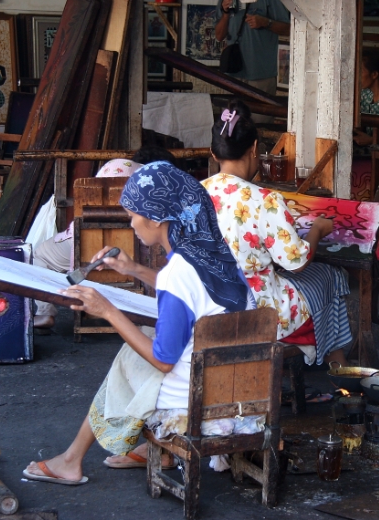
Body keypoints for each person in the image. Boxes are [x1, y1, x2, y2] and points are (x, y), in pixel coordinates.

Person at [23, 162, 254, 485]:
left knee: (130, 355)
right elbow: (192, 294)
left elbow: (162, 360)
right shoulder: (215, 255)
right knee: (143, 335)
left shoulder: (178, 274)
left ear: (157, 218)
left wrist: (108, 311)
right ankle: (145, 451)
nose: (130, 223)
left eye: (133, 214)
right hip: (238, 385)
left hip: (198, 397)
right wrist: (133, 269)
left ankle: (72, 459)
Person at [202, 99, 352, 366]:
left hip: (206, 307)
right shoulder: (264, 199)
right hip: (260, 313)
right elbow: (296, 263)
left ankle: (336, 364)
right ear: (255, 148)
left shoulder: (194, 194)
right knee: (330, 276)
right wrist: (317, 229)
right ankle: (337, 364)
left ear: (214, 153)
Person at [33, 147, 179, 331]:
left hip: (90, 240)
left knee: (40, 255)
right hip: (137, 247)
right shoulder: (165, 183)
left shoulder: (117, 167)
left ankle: (45, 312)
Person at [214, 0, 290, 100]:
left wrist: (265, 22)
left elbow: (287, 29)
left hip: (260, 74)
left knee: (260, 116)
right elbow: (219, 36)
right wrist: (225, 13)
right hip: (233, 73)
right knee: (234, 116)